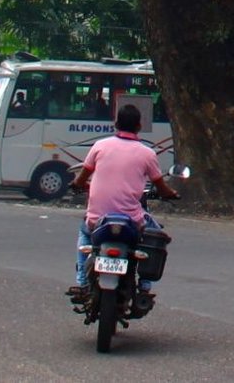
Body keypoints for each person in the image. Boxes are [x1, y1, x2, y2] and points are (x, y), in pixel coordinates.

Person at [67, 103, 177, 303]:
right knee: (156, 234)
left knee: (85, 233)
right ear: (138, 126)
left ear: (116, 124)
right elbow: (161, 186)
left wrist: (75, 185)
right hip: (132, 220)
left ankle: (82, 281)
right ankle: (144, 285)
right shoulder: (147, 154)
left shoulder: (99, 146)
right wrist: (171, 194)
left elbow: (82, 178)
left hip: (97, 220)